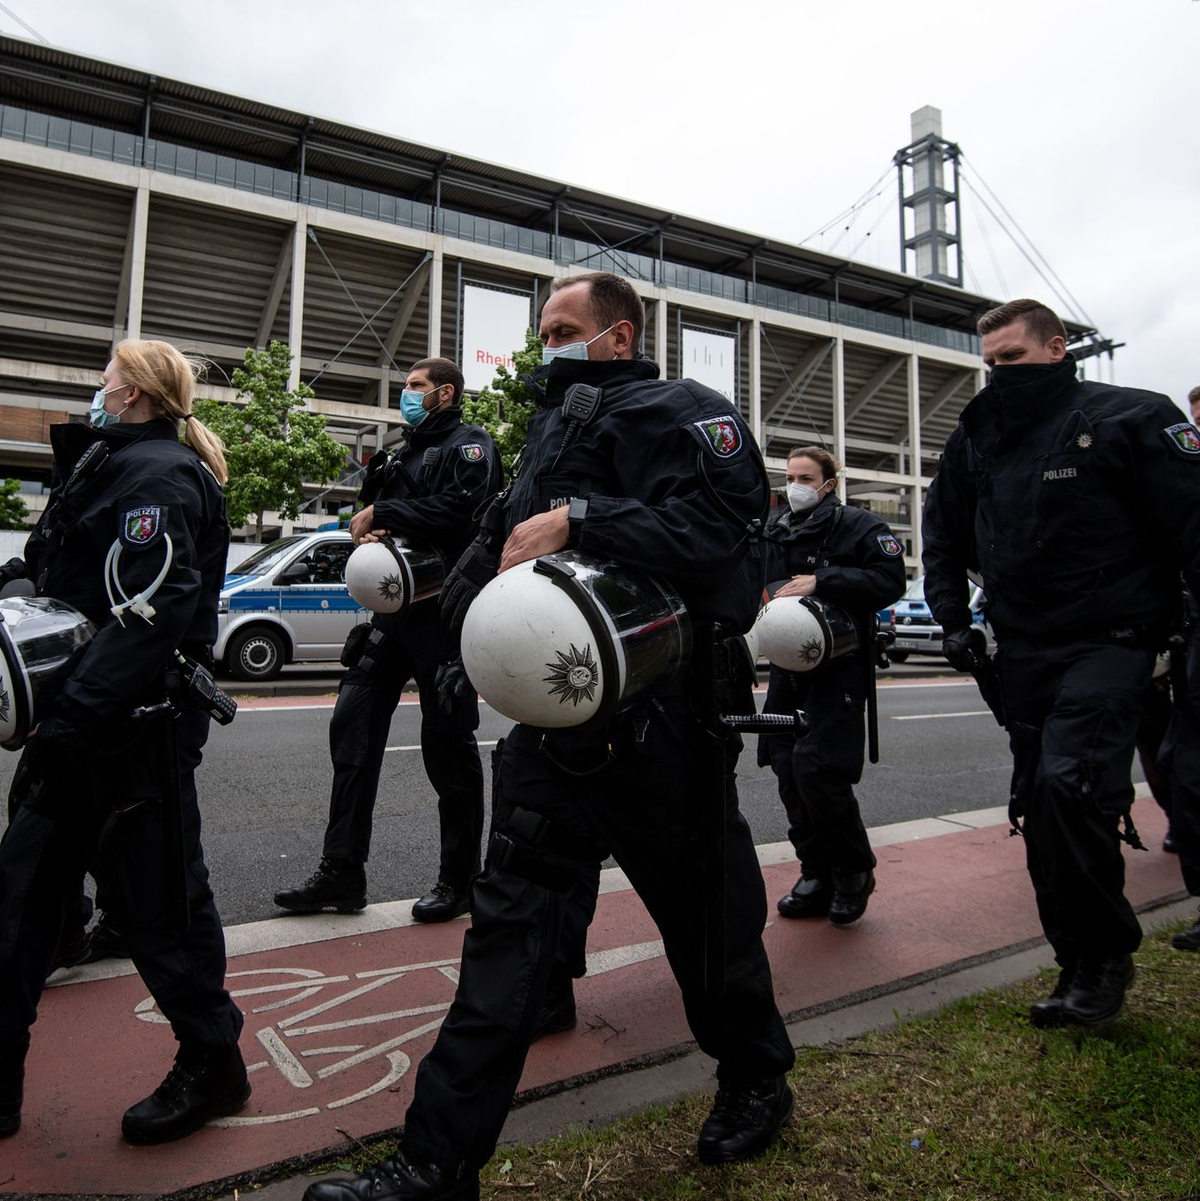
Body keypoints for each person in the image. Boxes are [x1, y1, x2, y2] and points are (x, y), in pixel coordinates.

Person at [302, 273, 795, 1201]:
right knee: (507, 930)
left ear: (619, 336)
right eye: (541, 330)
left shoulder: (685, 412)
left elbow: (727, 539)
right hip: (551, 719)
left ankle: (756, 1075)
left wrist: (586, 516)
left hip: (663, 720)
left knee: (706, 922)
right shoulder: (551, 427)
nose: (547, 344)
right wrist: (459, 645)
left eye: (564, 328)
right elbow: (497, 541)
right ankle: (434, 1165)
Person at [922, 298, 1200, 1029]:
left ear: (1056, 348)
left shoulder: (1131, 417)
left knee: (1070, 784)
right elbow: (943, 530)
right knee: (1041, 807)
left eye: (1010, 359)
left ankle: (1105, 958)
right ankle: (1077, 960)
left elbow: (1193, 524)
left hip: (1113, 640)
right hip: (1023, 650)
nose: (998, 375)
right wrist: (952, 619)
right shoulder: (978, 436)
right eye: (988, 364)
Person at [0, 339, 248, 1142]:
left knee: (162, 914)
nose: (96, 393)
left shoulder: (160, 477)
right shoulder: (105, 466)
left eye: (106, 382)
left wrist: (72, 717)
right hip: (77, 729)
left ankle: (214, 1065)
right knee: (19, 905)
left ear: (136, 395)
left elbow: (156, 606)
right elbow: (65, 577)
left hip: (131, 736)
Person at [274, 359, 501, 923]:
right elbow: (372, 516)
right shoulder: (401, 452)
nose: (407, 396)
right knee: (350, 731)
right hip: (388, 617)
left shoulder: (471, 446)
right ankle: (341, 873)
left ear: (444, 393)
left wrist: (389, 511)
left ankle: (459, 880)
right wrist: (372, 523)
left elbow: (465, 513)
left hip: (443, 616)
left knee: (447, 750)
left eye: (415, 388)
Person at [759, 446, 906, 924]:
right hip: (785, 667)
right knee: (784, 764)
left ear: (829, 483)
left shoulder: (859, 526)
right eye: (790, 476)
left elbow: (889, 580)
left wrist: (821, 580)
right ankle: (815, 872)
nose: (795, 484)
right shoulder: (777, 528)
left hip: (838, 666)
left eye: (806, 476)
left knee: (818, 770)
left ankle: (852, 873)